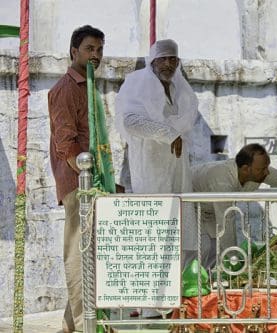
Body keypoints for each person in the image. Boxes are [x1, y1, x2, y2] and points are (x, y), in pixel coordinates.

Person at [114, 39, 198, 318]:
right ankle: (148, 306)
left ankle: (170, 299)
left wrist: (175, 134)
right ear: (152, 61)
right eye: (163, 59)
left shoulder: (180, 88)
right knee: (153, 234)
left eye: (174, 59)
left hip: (177, 169)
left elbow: (186, 122)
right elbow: (130, 121)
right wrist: (167, 134)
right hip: (150, 170)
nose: (169, 65)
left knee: (178, 233)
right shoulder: (137, 82)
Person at [48, 25, 105, 333]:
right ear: (74, 52)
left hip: (92, 181)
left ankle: (71, 324)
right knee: (77, 253)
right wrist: (86, 181)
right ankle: (85, 324)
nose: (95, 54)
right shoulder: (66, 88)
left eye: (99, 49)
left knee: (88, 252)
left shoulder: (88, 86)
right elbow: (66, 141)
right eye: (89, 49)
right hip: (78, 183)